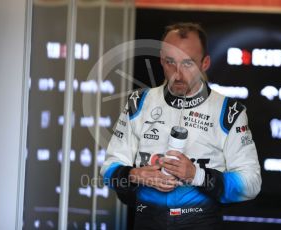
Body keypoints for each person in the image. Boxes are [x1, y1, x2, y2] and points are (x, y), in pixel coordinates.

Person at [100, 22, 261, 230]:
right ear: (161, 60)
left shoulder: (229, 111)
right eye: (170, 62)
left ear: (205, 63)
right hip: (146, 220)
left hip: (201, 222)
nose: (177, 73)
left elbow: (252, 183)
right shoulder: (138, 103)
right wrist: (135, 175)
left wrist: (197, 175)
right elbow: (108, 171)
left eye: (188, 63)